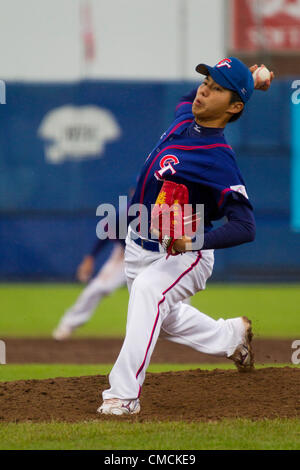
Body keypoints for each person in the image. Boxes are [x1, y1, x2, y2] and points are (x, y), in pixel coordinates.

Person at [97, 58, 274, 416]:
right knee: (163, 316)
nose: (204, 90)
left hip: (183, 253)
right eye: (206, 81)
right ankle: (231, 336)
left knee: (149, 293)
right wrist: (250, 79)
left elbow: (245, 226)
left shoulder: (218, 159)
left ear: (234, 107)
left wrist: (191, 244)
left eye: (218, 88)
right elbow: (192, 94)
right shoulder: (185, 117)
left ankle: (123, 397)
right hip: (137, 244)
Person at [52, 228, 126, 341]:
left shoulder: (160, 213)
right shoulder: (129, 212)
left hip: (159, 254)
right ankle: (68, 324)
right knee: (98, 287)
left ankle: (157, 331)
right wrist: (90, 257)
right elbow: (109, 227)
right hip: (129, 251)